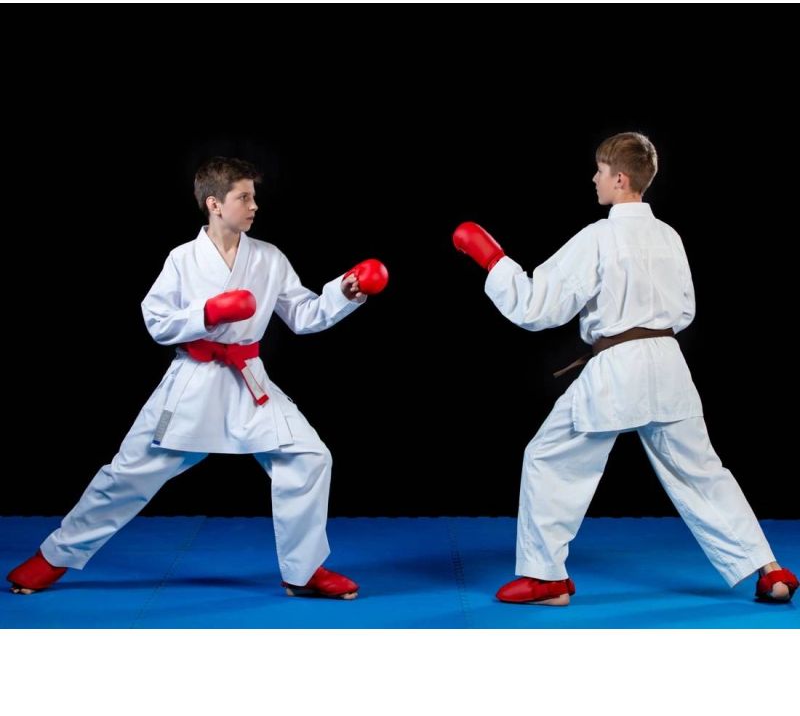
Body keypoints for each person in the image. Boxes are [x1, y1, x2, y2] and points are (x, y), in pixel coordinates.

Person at [8, 156, 388, 600]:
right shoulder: (182, 259)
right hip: (193, 382)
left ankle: (302, 572)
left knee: (309, 458)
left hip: (248, 382)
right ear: (214, 203)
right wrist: (207, 313)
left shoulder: (268, 258)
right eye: (244, 197)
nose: (254, 206)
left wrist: (343, 292)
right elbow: (156, 320)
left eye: (254, 197)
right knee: (128, 474)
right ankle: (54, 556)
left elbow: (304, 315)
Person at [453, 132, 797, 606]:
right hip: (669, 367)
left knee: (548, 459)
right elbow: (684, 311)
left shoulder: (600, 237)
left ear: (620, 179)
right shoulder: (669, 237)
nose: (593, 179)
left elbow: (536, 307)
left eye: (599, 171)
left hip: (617, 371)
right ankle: (770, 571)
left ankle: (546, 577)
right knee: (702, 473)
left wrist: (493, 261)